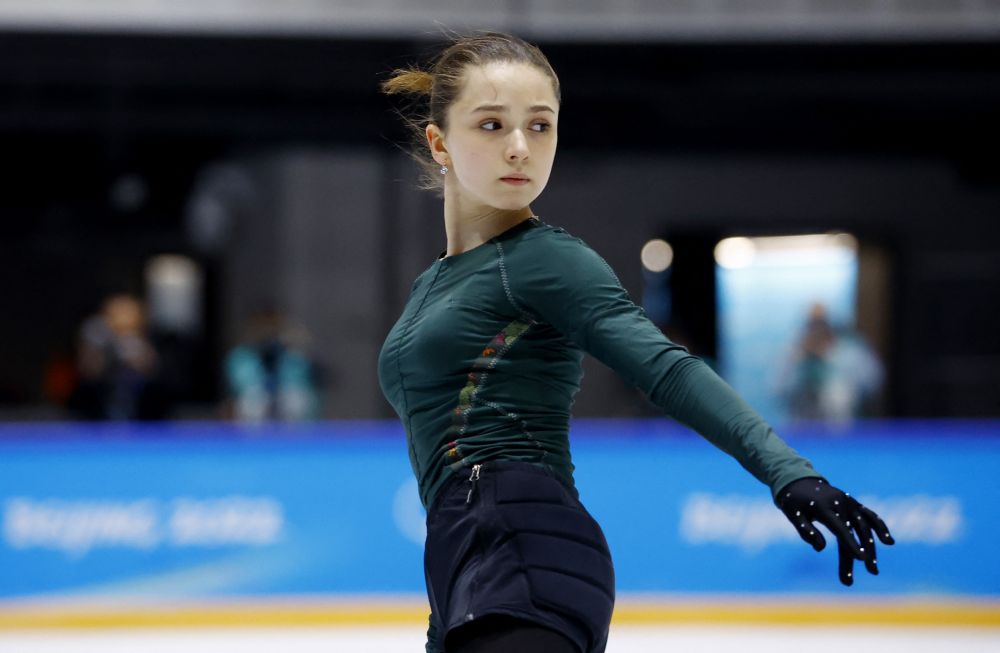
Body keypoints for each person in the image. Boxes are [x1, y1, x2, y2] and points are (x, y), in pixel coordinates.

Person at [377, 32, 894, 653]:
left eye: (540, 126)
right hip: (463, 559)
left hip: (524, 547)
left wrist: (787, 471)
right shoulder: (434, 282)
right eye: (492, 125)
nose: (519, 147)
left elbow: (667, 369)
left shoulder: (544, 260)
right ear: (440, 143)